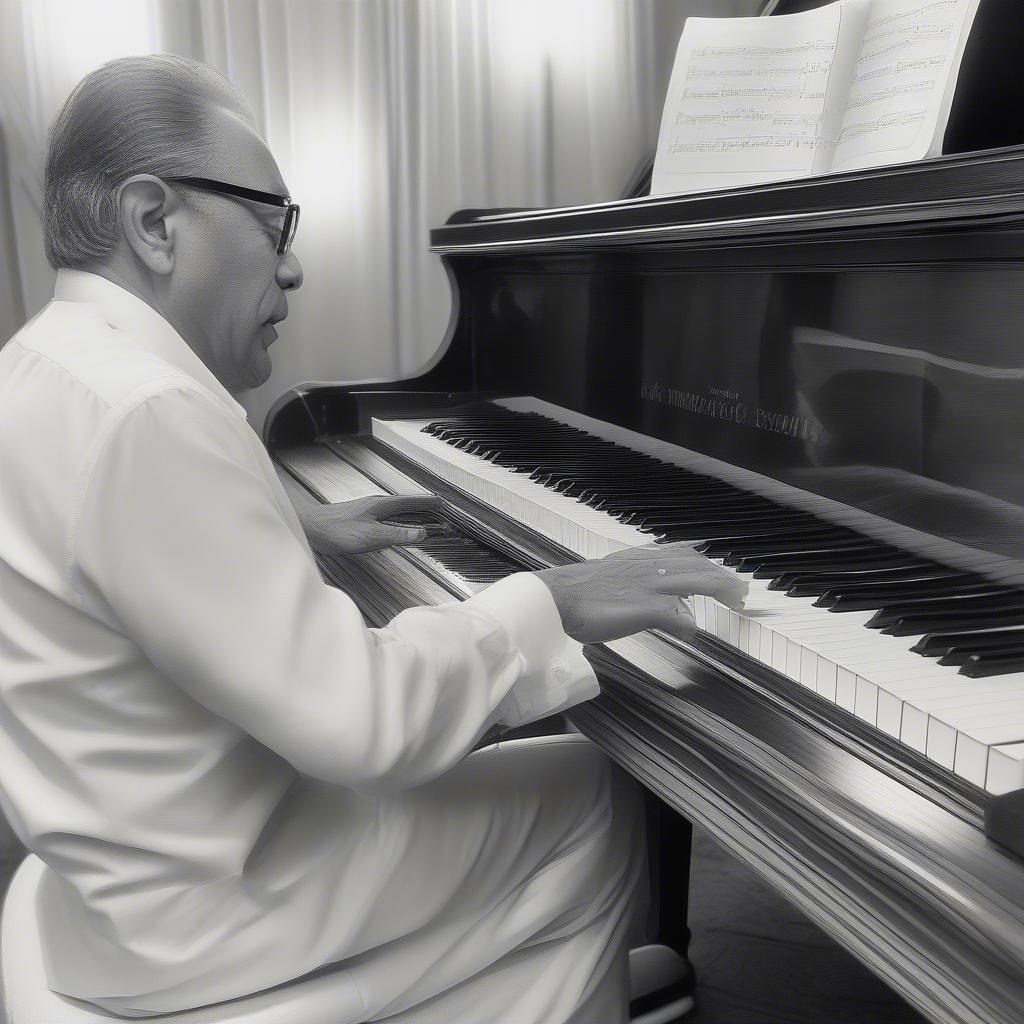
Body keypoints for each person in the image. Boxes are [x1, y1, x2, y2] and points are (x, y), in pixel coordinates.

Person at [0, 55, 746, 1023]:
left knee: (529, 806)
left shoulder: (41, 363)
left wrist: (288, 527)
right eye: (273, 222)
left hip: (119, 872)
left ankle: (526, 967)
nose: (293, 263)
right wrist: (550, 603)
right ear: (153, 222)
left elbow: (118, 548)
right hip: (212, 906)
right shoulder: (153, 411)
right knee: (589, 788)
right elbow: (359, 723)